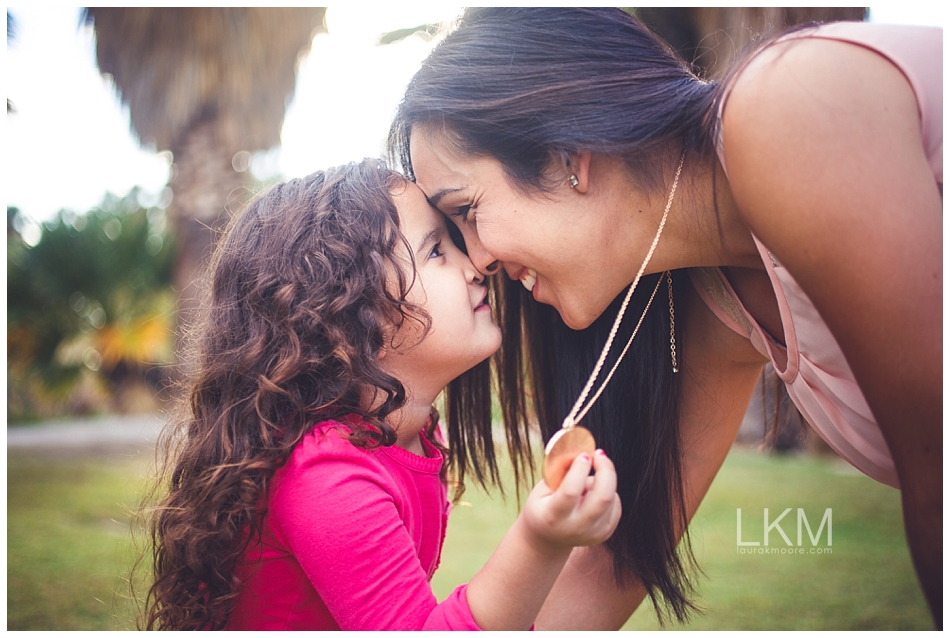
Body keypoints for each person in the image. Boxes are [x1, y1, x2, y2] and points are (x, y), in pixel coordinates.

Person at [388, 7, 941, 629]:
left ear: (570, 153)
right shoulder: (710, 309)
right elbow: (609, 572)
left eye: (466, 211)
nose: (479, 260)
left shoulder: (786, 109)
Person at [140, 158, 622, 630]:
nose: (477, 266)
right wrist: (539, 543)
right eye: (436, 251)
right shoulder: (327, 477)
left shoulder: (407, 435)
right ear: (351, 313)